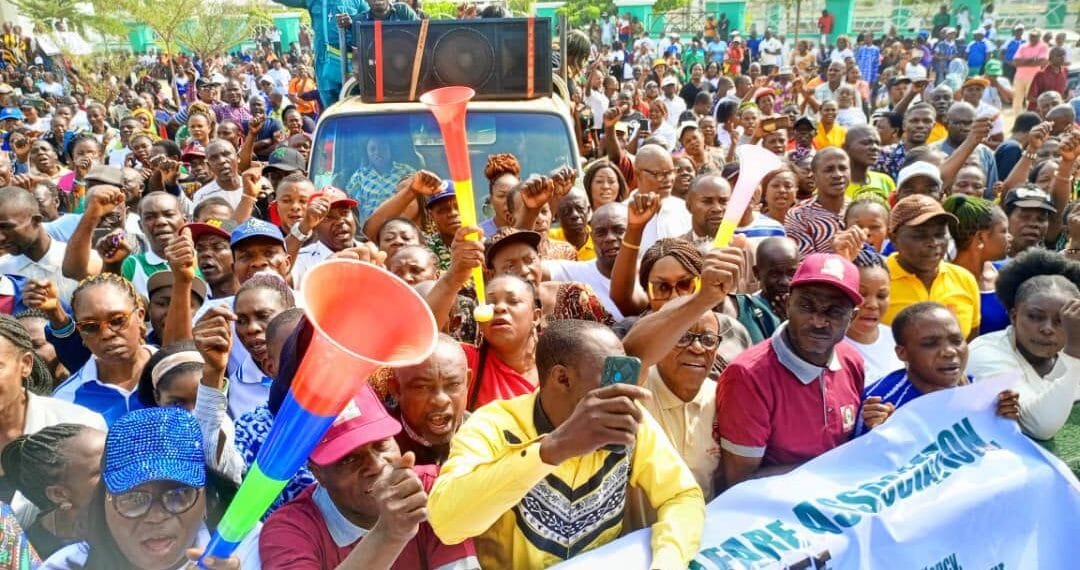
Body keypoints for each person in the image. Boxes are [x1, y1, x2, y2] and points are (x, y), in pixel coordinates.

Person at [427, 319, 706, 569]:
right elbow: (448, 524)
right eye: (607, 378)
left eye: (621, 374)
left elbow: (681, 495)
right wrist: (552, 450)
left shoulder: (627, 418)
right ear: (562, 378)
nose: (619, 391)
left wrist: (668, 560)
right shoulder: (493, 426)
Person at [260, 382, 477, 569]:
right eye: (348, 459)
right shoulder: (289, 531)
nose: (375, 465)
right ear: (317, 472)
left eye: (381, 444)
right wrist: (389, 533)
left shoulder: (431, 489)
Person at [39, 407, 257, 569]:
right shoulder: (66, 566)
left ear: (207, 500)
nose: (156, 517)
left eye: (178, 495)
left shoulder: (249, 547)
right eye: (133, 499)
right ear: (104, 503)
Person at [717, 253, 865, 488]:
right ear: (787, 304)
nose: (818, 321)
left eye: (834, 312)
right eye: (806, 306)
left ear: (853, 318)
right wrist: (836, 468)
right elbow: (740, 482)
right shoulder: (748, 376)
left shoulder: (851, 361)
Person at [621, 251, 750, 499]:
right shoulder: (636, 389)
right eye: (683, 338)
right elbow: (630, 354)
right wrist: (702, 298)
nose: (697, 348)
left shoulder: (722, 397)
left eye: (708, 340)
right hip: (638, 536)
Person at [856, 302, 1021, 436]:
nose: (949, 352)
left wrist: (1003, 419)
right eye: (930, 343)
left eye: (957, 340)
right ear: (902, 353)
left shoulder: (983, 394)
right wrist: (880, 436)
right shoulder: (879, 402)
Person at [967, 250, 1080, 440]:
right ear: (1013, 316)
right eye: (1035, 317)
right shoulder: (985, 352)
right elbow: (1041, 426)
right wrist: (1075, 351)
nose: (1047, 329)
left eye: (1061, 320)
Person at [50, 274, 154, 425]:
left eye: (117, 320)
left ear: (139, 317)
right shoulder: (65, 401)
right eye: (90, 327)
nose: (106, 334)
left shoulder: (176, 371)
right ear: (80, 333)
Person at [882, 195, 980, 339]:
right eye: (919, 236)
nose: (933, 243)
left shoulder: (964, 279)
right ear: (893, 238)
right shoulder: (878, 281)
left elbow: (970, 338)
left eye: (940, 234)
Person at [1, 424, 106, 558]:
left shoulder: (131, 514)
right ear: (59, 494)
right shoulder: (36, 558)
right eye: (103, 468)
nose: (123, 469)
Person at [0, 186, 81, 305]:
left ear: (36, 221)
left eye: (7, 227)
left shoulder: (79, 263)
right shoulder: (3, 270)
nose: (1, 238)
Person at [944, 195, 1011, 335]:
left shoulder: (1008, 274)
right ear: (981, 237)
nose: (1010, 237)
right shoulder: (943, 281)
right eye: (1004, 231)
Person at [845, 254, 903, 385]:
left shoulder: (899, 340)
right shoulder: (825, 346)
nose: (872, 304)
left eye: (881, 295)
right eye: (861, 294)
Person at [785, 147, 849, 256]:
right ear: (814, 177)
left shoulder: (858, 209)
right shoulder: (799, 215)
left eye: (843, 168)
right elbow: (805, 265)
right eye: (829, 170)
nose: (838, 175)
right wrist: (838, 253)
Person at [1011, 29, 1049, 116]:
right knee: (1017, 99)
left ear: (1039, 37)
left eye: (1035, 36)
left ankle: (1030, 119)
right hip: (1019, 76)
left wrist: (1023, 62)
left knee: (1031, 100)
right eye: (1031, 36)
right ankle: (1018, 119)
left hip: (1034, 77)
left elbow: (1042, 62)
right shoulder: (1023, 46)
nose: (1032, 38)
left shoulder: (1043, 46)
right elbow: (1015, 62)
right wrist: (1032, 60)